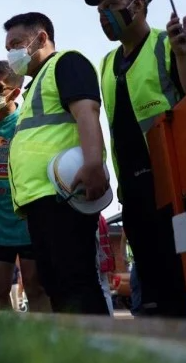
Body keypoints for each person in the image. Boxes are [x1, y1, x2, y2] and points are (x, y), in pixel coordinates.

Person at [85, 0, 186, 316]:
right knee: (155, 289)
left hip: (175, 189)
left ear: (139, 4)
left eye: (111, 4)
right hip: (135, 195)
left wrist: (182, 54)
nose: (104, 13)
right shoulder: (107, 64)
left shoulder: (165, 44)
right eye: (99, 8)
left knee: (181, 271)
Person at [5, 12, 110, 315]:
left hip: (64, 194)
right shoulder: (34, 87)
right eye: (7, 46)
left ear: (41, 38)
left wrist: (93, 164)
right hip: (41, 200)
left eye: (16, 43)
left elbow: (87, 111)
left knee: (76, 281)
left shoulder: (66, 64)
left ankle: (97, 350)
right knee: (56, 284)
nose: (11, 53)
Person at [0, 60, 51, 311]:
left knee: (36, 285)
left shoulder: (28, 118)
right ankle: (7, 346)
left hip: (28, 220)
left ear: (15, 92)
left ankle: (44, 344)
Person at [96, 214, 115, 316]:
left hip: (97, 260)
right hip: (102, 259)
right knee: (105, 290)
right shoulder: (101, 219)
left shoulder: (95, 219)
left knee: (102, 290)